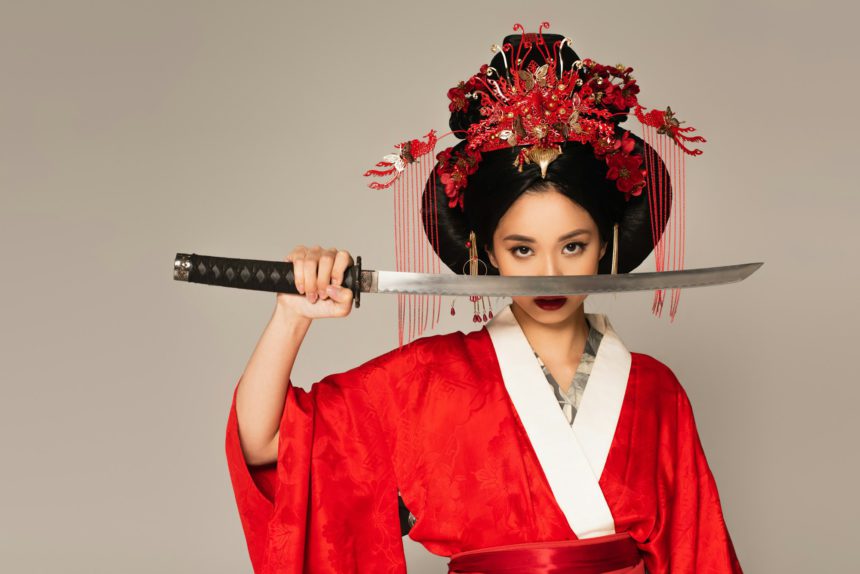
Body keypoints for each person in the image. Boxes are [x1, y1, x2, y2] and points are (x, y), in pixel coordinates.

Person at [225, 24, 743, 573]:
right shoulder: (429, 378)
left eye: (573, 246)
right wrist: (291, 315)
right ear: (487, 251)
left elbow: (699, 556)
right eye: (522, 250)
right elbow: (267, 445)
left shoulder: (655, 391)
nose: (548, 275)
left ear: (606, 245)